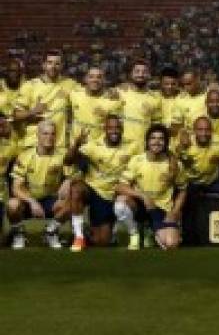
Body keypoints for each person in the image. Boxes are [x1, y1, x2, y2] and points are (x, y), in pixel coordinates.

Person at [65, 114, 135, 250]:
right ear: (105, 129)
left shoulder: (132, 146)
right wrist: (76, 144)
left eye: (117, 128)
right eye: (110, 128)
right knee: (77, 189)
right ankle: (78, 236)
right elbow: (67, 161)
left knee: (102, 242)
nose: (114, 131)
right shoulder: (94, 145)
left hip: (115, 194)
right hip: (94, 191)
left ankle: (89, 231)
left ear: (122, 129)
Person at [115, 124, 184, 250]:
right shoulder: (137, 160)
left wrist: (174, 211)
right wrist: (142, 196)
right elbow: (120, 187)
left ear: (166, 142)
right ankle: (134, 233)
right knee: (120, 203)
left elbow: (183, 190)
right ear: (147, 142)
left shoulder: (174, 165)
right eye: (153, 138)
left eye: (161, 139)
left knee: (171, 244)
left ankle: (151, 230)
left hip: (163, 210)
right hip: (141, 206)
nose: (156, 142)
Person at [6, 120, 71, 249]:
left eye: (52, 134)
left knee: (72, 203)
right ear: (38, 135)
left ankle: (51, 232)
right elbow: (16, 187)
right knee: (12, 204)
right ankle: (18, 234)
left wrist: (68, 182)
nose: (49, 137)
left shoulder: (63, 155)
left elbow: (74, 175)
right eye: (45, 133)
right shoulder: (25, 156)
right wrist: (31, 201)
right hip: (28, 201)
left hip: (51, 200)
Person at [12, 49, 77, 148]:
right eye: (50, 63)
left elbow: (89, 94)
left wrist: (108, 92)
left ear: (62, 66)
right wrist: (32, 111)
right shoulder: (30, 85)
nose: (53, 67)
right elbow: (16, 115)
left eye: (57, 64)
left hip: (59, 146)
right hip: (33, 144)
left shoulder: (71, 84)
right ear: (43, 65)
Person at [176, 114, 219, 203]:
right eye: (200, 130)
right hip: (190, 183)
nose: (204, 133)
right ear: (194, 131)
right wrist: (181, 148)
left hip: (212, 182)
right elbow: (174, 162)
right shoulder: (186, 142)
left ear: (212, 131)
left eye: (207, 130)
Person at [116, 59, 162, 150]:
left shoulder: (155, 98)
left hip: (145, 147)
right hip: (122, 147)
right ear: (131, 74)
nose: (140, 75)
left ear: (149, 75)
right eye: (137, 71)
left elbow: (156, 124)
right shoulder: (119, 92)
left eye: (144, 72)